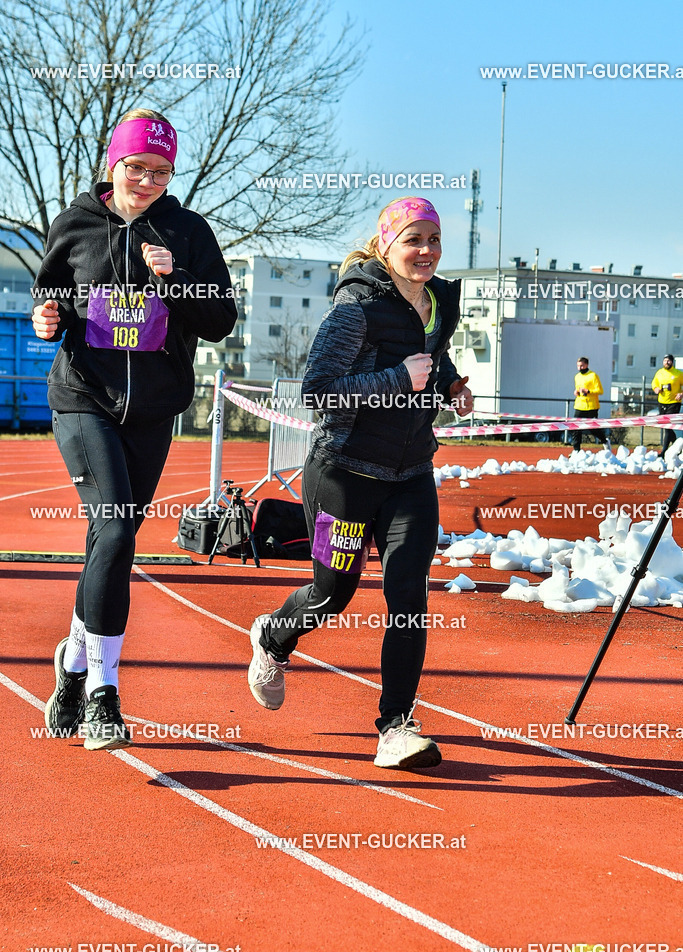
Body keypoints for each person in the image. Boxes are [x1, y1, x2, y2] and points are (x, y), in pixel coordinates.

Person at [32, 109, 237, 750]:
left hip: (152, 411)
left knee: (110, 543)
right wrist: (47, 318)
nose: (146, 180)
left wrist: (175, 282)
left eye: (159, 171)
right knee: (117, 527)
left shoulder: (187, 232)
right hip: (84, 400)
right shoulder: (76, 224)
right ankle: (104, 693)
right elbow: (52, 299)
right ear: (112, 168)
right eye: (135, 168)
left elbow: (221, 321)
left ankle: (71, 662)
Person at [247, 196, 472, 770]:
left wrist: (450, 387)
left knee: (408, 601)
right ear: (386, 245)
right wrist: (399, 379)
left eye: (433, 240)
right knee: (333, 594)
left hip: (411, 476)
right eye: (413, 240)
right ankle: (274, 636)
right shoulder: (356, 309)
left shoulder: (439, 302)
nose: (425, 252)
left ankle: (395, 725)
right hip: (344, 474)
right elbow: (319, 391)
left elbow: (432, 358)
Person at [570, 356, 609, 452]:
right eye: (578, 366)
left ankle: (604, 441)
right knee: (576, 428)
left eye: (582, 366)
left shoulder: (593, 376)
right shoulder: (577, 376)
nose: (580, 368)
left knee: (592, 428)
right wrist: (576, 392)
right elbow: (578, 388)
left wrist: (588, 391)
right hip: (579, 406)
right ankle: (576, 450)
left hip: (591, 406)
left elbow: (600, 391)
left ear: (587, 365)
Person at [651, 353, 683, 457]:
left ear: (672, 362)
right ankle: (677, 447)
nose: (667, 362)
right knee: (666, 426)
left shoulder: (678, 374)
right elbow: (654, 383)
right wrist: (655, 388)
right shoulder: (659, 373)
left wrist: (681, 394)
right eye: (665, 360)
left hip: (674, 403)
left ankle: (664, 451)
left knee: (668, 427)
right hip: (662, 402)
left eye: (669, 360)